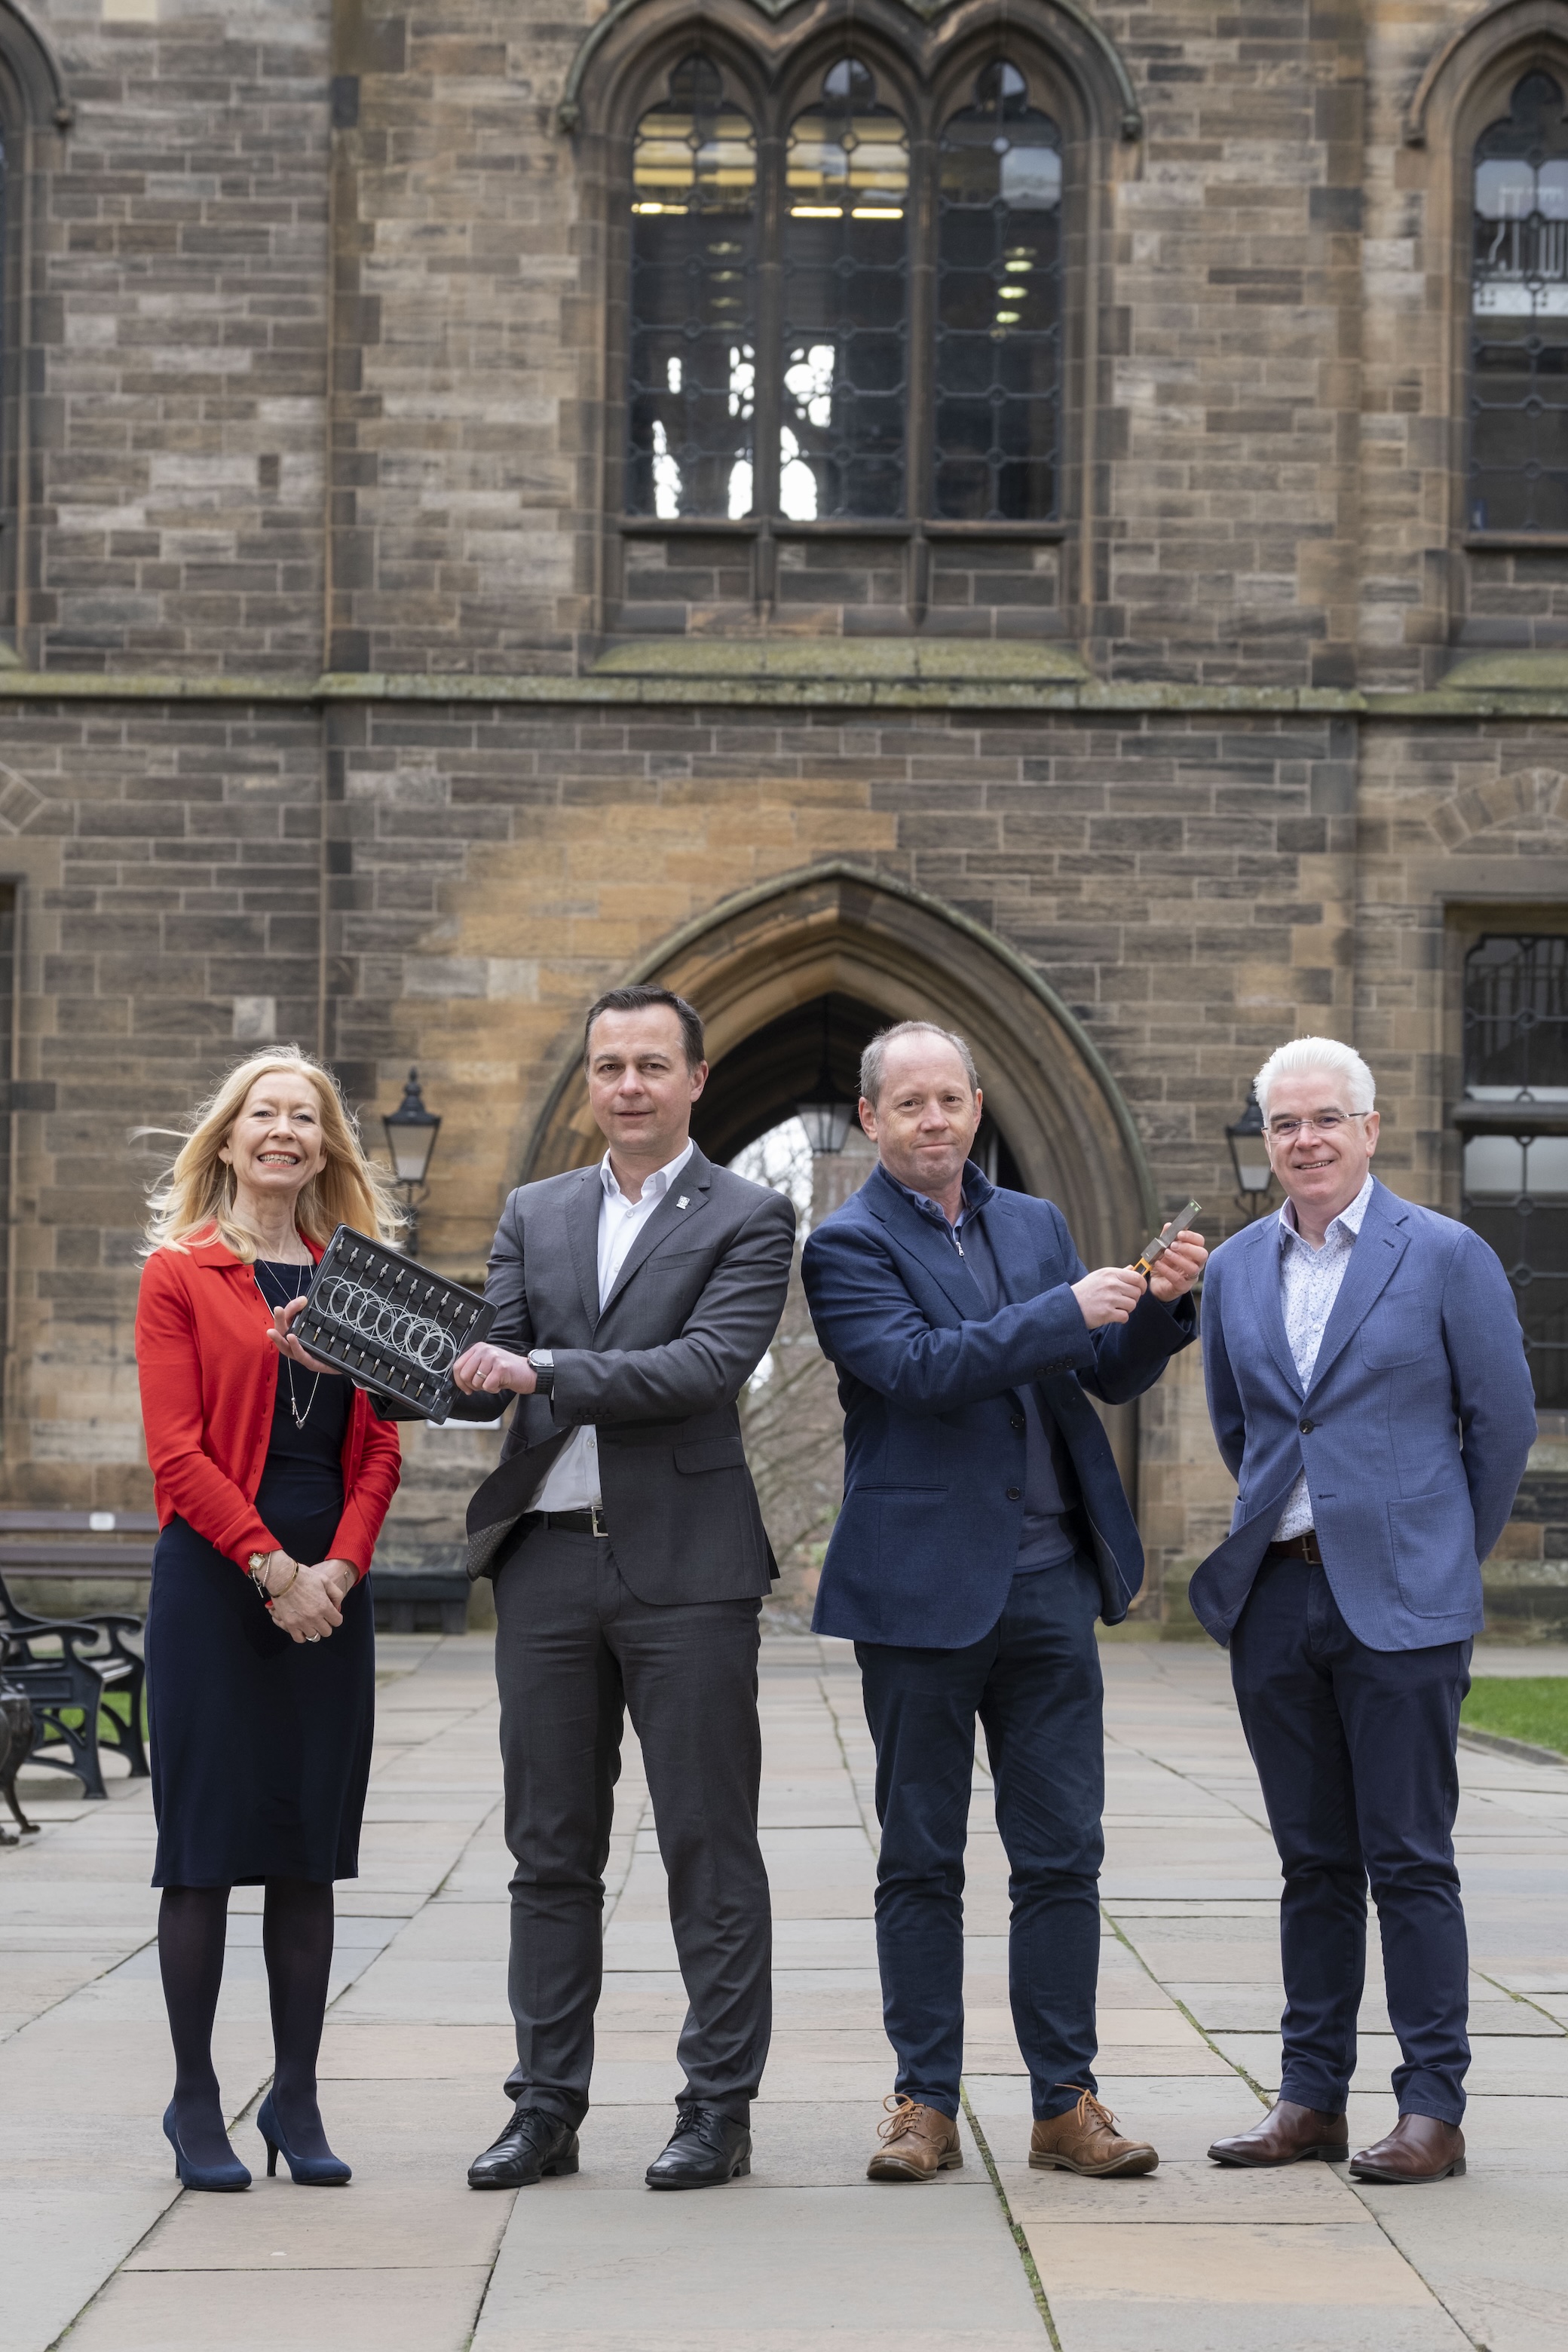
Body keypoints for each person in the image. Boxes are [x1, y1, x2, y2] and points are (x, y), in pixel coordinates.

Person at [800, 1021, 1204, 2183]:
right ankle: (923, 2103)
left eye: (951, 1100)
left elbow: (1096, 1374)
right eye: (909, 1103)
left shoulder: (1033, 1225)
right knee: (922, 1859)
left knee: (1063, 1856)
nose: (934, 1120)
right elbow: (921, 1370)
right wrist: (1067, 1310)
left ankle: (1064, 2106)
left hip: (1048, 1588)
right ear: (871, 1119)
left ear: (978, 1106)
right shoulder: (844, 1244)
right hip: (919, 1595)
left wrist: (1160, 1310)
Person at [452, 985, 795, 2193]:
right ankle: (544, 2108)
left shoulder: (752, 1215)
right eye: (610, 1067)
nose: (630, 1085)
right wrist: (361, 1347)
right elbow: (479, 1369)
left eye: (653, 1064)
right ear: (590, 1084)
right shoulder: (533, 1212)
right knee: (548, 1853)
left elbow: (705, 1368)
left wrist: (541, 1362)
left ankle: (717, 2108)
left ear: (697, 1079)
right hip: (546, 1561)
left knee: (710, 1845)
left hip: (688, 1570)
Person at [1196, 1036, 1536, 2184]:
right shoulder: (1238, 1267)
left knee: (1410, 1860)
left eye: (1326, 1120)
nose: (1305, 1141)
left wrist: (1435, 1555)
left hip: (1403, 1604)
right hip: (1277, 1602)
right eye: (1284, 1124)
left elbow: (1500, 1429)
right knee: (1312, 1864)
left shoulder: (1443, 1255)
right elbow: (1244, 1429)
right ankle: (1310, 2098)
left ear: (1369, 1129)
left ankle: (1432, 2105)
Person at [136, 1046, 403, 2191]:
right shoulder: (181, 1272)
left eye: (306, 1116)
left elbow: (385, 1442)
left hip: (332, 1590)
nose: (285, 1132)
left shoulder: (362, 1279)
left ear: (327, 1145)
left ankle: (295, 2099)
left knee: (307, 1854)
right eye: (265, 1114)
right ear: (231, 1139)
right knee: (202, 1855)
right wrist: (270, 1567)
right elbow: (176, 1450)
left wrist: (337, 1568)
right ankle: (195, 2098)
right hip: (215, 1579)